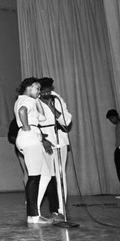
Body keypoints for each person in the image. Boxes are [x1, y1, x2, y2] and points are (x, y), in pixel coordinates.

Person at [14, 77, 52, 224]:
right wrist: (27, 128)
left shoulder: (26, 100)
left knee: (46, 175)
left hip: (29, 137)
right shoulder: (26, 101)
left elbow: (42, 118)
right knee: (34, 177)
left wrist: (37, 99)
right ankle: (33, 215)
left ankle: (35, 210)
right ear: (28, 87)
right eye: (37, 88)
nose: (39, 91)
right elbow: (23, 111)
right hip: (29, 136)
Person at [38, 77, 72, 221]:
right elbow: (33, 123)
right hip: (43, 141)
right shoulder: (35, 100)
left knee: (60, 175)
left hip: (60, 141)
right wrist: (43, 139)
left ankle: (61, 210)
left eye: (49, 90)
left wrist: (53, 108)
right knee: (45, 176)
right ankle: (36, 211)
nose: (47, 92)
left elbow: (66, 121)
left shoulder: (57, 99)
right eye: (43, 90)